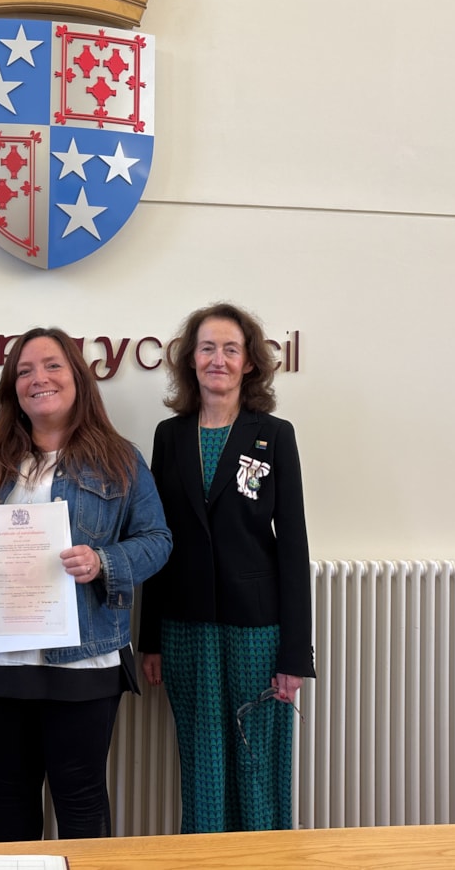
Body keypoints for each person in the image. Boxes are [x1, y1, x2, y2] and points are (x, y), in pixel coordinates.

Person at [0, 327, 171, 842]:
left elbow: (157, 539)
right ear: (12, 388)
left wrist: (104, 561)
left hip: (84, 658)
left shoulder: (120, 458)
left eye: (52, 366)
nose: (38, 378)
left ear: (79, 378)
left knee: (81, 795)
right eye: (24, 370)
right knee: (11, 792)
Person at [138, 302, 315, 833]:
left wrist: (294, 654)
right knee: (202, 764)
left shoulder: (274, 434)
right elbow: (157, 539)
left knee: (256, 760)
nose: (218, 359)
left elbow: (293, 547)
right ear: (190, 361)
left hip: (258, 631)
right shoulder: (170, 436)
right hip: (185, 629)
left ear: (249, 363)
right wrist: (150, 639)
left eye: (230, 349)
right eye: (208, 348)